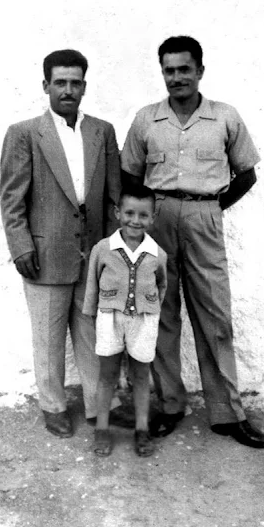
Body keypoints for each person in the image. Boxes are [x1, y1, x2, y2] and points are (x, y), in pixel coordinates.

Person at [120, 36, 264, 449]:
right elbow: (130, 175)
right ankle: (170, 406)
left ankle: (227, 413)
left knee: (214, 316)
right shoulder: (147, 119)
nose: (176, 77)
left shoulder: (224, 117)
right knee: (160, 314)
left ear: (200, 71)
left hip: (205, 217)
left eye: (184, 69)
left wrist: (212, 209)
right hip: (158, 219)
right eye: (169, 70)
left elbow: (247, 173)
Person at [0, 49, 121, 438]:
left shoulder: (102, 131)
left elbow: (114, 197)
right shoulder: (24, 134)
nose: (67, 90)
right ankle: (53, 406)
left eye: (75, 83)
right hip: (44, 253)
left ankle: (98, 405)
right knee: (48, 336)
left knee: (92, 331)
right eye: (60, 82)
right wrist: (21, 246)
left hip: (92, 251)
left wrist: (114, 249)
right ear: (46, 86)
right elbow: (12, 199)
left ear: (84, 86)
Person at [83, 184, 167, 457]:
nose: (135, 220)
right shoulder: (103, 249)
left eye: (143, 215)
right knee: (107, 375)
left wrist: (151, 311)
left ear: (152, 217)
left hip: (143, 321)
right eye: (129, 213)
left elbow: (162, 286)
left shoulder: (157, 254)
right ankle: (102, 428)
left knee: (141, 375)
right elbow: (92, 284)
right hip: (110, 319)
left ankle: (141, 430)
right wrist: (93, 314)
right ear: (118, 212)